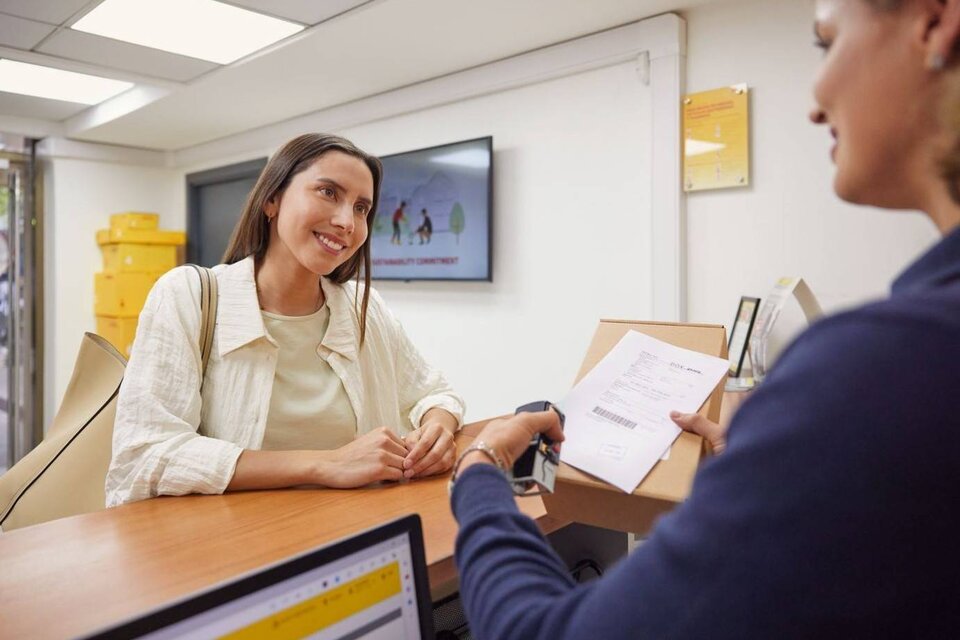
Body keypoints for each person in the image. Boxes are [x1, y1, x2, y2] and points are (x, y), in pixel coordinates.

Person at [450, 1, 960, 637]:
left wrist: (478, 474)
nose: (815, 102)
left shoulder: (883, 366)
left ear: (938, 22)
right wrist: (768, 476)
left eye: (825, 44)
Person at [106, 134, 464, 507]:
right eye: (328, 192)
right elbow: (145, 455)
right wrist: (324, 465)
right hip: (235, 547)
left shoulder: (364, 307)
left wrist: (437, 428)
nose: (347, 221)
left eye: (361, 208)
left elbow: (434, 393)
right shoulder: (188, 296)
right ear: (271, 200)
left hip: (358, 538)